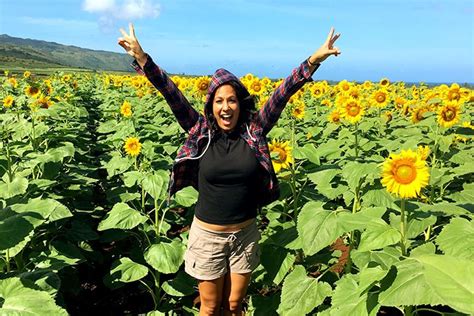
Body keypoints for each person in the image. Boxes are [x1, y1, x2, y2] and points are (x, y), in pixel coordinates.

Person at [118, 23, 340, 316]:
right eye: (219, 101)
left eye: (232, 100)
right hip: (208, 236)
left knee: (235, 306)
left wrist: (314, 60)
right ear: (211, 106)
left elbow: (283, 93)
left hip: (245, 235)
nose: (226, 107)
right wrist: (143, 59)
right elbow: (170, 93)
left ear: (240, 103)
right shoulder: (199, 131)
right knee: (209, 308)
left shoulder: (255, 130)